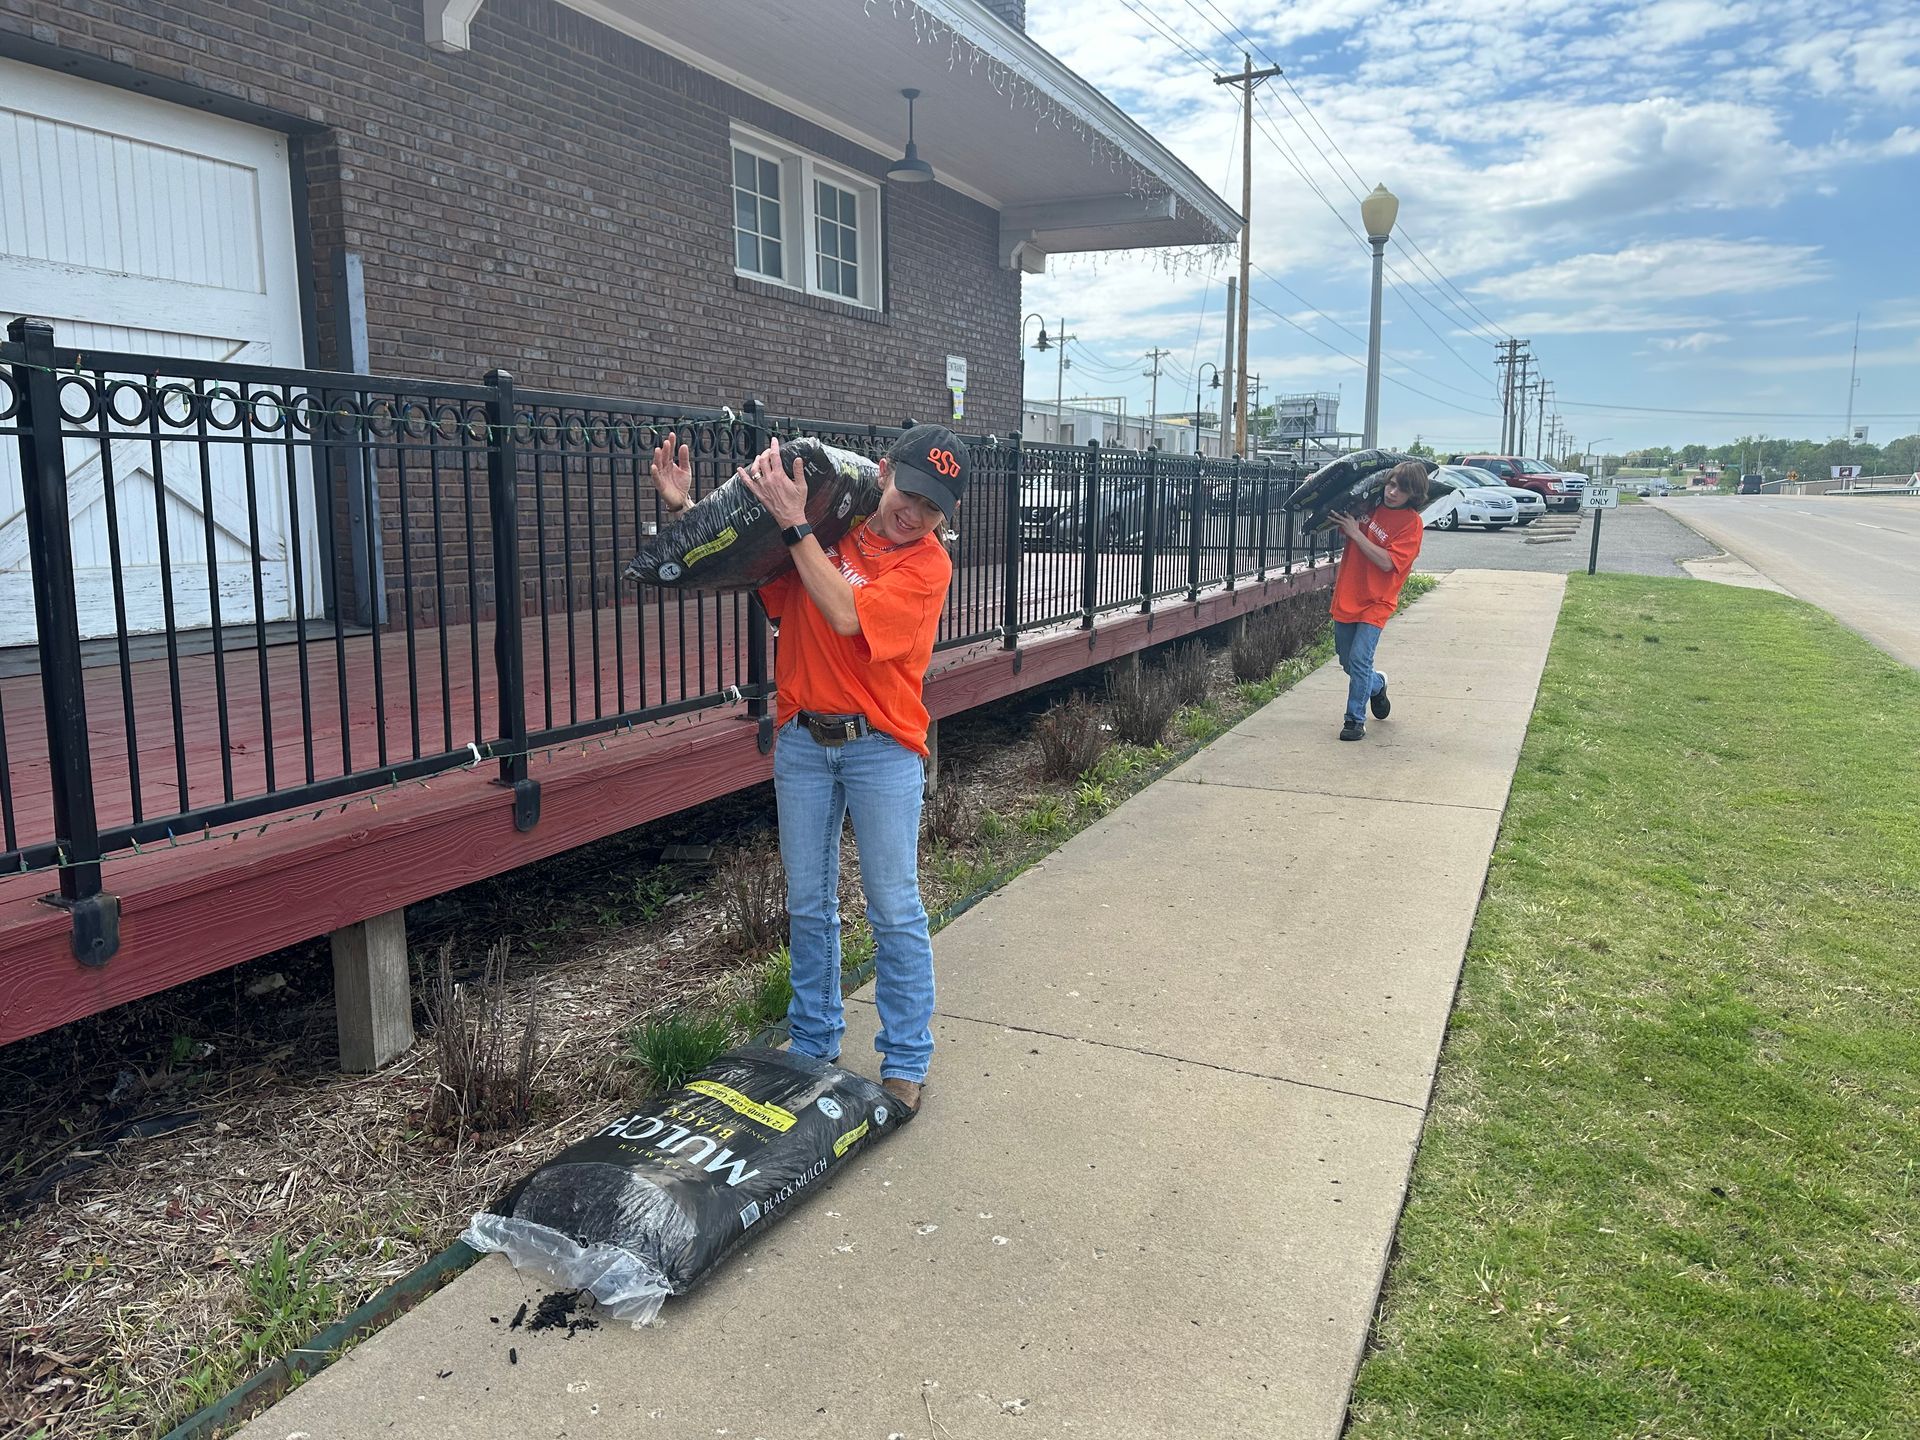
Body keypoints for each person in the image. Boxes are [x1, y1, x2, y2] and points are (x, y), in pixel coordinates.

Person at [649, 424, 967, 1114]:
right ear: (883, 472)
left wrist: (795, 527)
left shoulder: (926, 566)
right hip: (803, 742)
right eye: (908, 491)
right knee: (810, 904)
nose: (914, 512)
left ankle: (906, 1059)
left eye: (932, 507)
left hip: (881, 746)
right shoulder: (830, 524)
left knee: (893, 907)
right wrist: (682, 513)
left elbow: (849, 615)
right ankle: (815, 1041)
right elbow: (736, 560)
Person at [1326, 460, 1428, 742]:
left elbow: (1387, 562)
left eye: (1401, 489)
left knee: (1360, 658)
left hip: (1378, 601)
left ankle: (1354, 721)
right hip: (1348, 593)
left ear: (1413, 495)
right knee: (1348, 662)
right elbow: (1331, 514)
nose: (1392, 492)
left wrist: (1357, 533)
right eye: (1391, 484)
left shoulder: (1412, 525)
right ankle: (1377, 684)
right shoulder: (1368, 506)